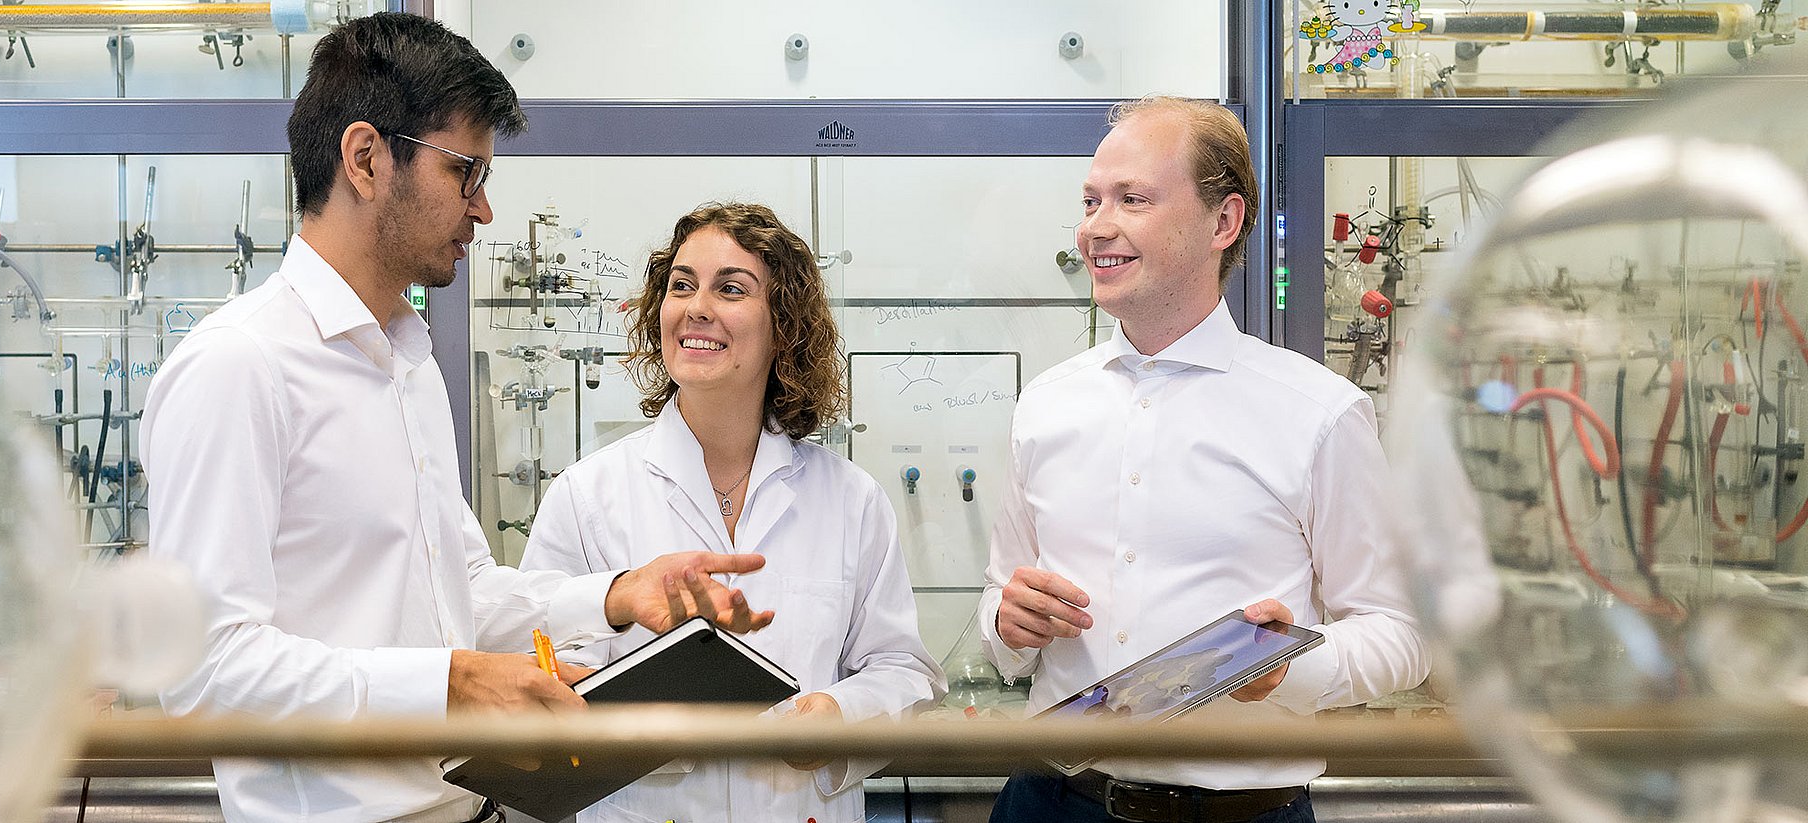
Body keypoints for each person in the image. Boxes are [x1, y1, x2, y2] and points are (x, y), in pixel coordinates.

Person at [141, 15, 772, 823]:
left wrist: (617, 596)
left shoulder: (405, 359)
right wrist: (449, 683)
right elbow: (202, 672)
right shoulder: (240, 365)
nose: (484, 210)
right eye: (466, 172)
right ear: (366, 158)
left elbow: (462, 593)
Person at [979, 96, 1430, 823]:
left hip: (1238, 813)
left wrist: (1287, 667)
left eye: (1132, 199)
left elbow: (1400, 633)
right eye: (1090, 201)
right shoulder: (1046, 403)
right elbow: (1001, 605)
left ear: (1223, 221)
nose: (1097, 226)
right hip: (1050, 800)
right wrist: (1006, 621)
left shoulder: (1318, 411)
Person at [523, 202, 945, 823]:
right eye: (682, 285)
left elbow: (903, 669)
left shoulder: (850, 498)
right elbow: (535, 667)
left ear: (784, 327)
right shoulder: (587, 496)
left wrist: (837, 715)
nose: (696, 307)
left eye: (731, 288)